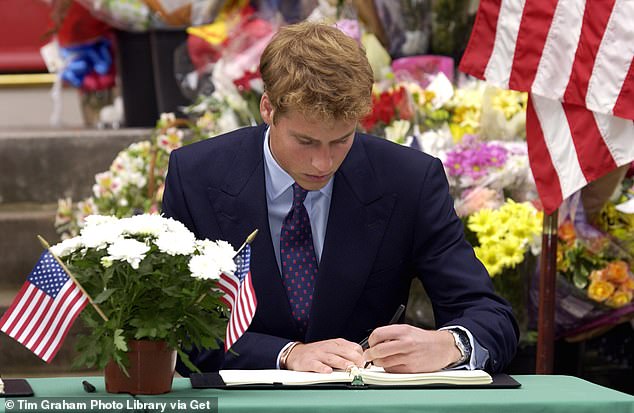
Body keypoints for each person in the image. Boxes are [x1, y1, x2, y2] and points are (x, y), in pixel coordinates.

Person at [162, 21, 518, 375]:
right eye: (306, 141)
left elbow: (490, 315)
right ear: (268, 109)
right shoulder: (196, 175)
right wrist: (285, 354)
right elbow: (176, 325)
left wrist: (451, 344)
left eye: (341, 140)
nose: (323, 162)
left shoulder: (409, 180)